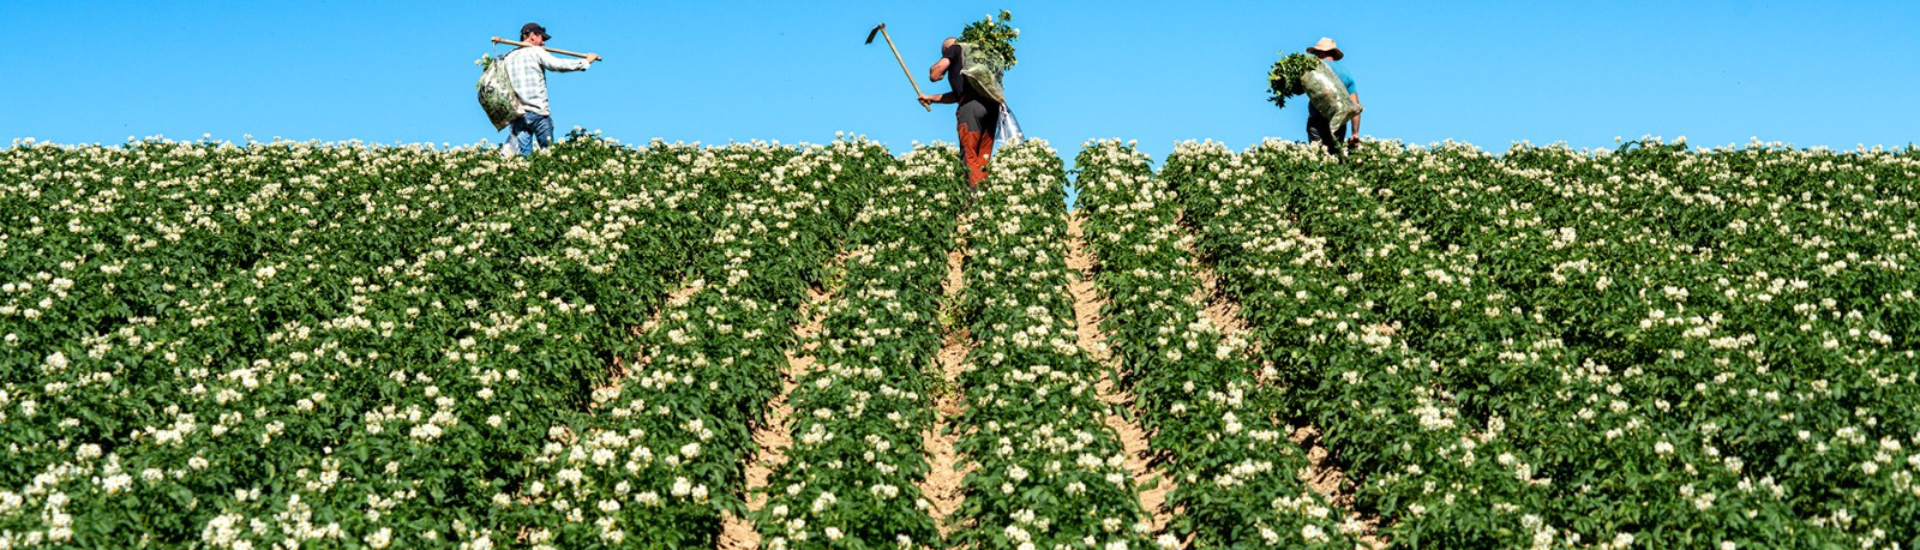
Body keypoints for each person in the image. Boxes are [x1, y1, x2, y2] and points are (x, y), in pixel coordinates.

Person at [502, 22, 601, 155]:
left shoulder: (508, 57)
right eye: (542, 38)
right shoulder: (535, 51)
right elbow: (557, 64)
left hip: (518, 115)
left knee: (524, 158)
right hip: (538, 112)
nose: (543, 43)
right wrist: (585, 62)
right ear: (532, 36)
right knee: (548, 153)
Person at [918, 38, 1001, 186]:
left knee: (969, 153)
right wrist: (931, 98)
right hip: (992, 107)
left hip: (971, 108)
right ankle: (985, 197)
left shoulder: (955, 48)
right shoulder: (976, 59)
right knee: (983, 156)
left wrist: (941, 68)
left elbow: (934, 74)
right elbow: (957, 96)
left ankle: (973, 199)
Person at [1305, 37, 1362, 156]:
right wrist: (1355, 132)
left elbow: (1298, 90)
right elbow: (1354, 106)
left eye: (1316, 53)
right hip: (1339, 123)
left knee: (1318, 158)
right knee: (1334, 158)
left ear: (1321, 52)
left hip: (1317, 121)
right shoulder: (1346, 74)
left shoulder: (1313, 67)